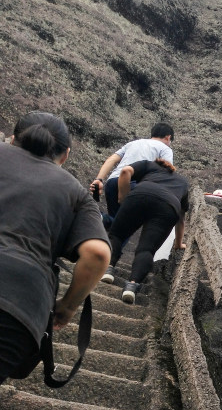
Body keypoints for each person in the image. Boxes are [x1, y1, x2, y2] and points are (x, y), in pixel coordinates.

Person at [0, 111, 110, 384]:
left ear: (13, 139)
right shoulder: (77, 193)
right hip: (19, 307)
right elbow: (97, 254)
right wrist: (68, 306)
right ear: (66, 155)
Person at [103, 158, 189, 304]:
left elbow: (125, 171)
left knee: (117, 235)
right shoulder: (183, 182)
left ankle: (108, 269)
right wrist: (178, 244)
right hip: (169, 207)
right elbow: (181, 219)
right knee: (147, 250)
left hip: (141, 195)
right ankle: (132, 285)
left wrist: (123, 197)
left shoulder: (149, 165)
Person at [90, 122, 174, 227]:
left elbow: (112, 159)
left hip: (113, 181)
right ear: (168, 137)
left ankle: (99, 217)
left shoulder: (133, 143)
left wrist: (99, 179)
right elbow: (166, 171)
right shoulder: (165, 149)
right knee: (127, 226)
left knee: (116, 224)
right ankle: (96, 216)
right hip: (133, 184)